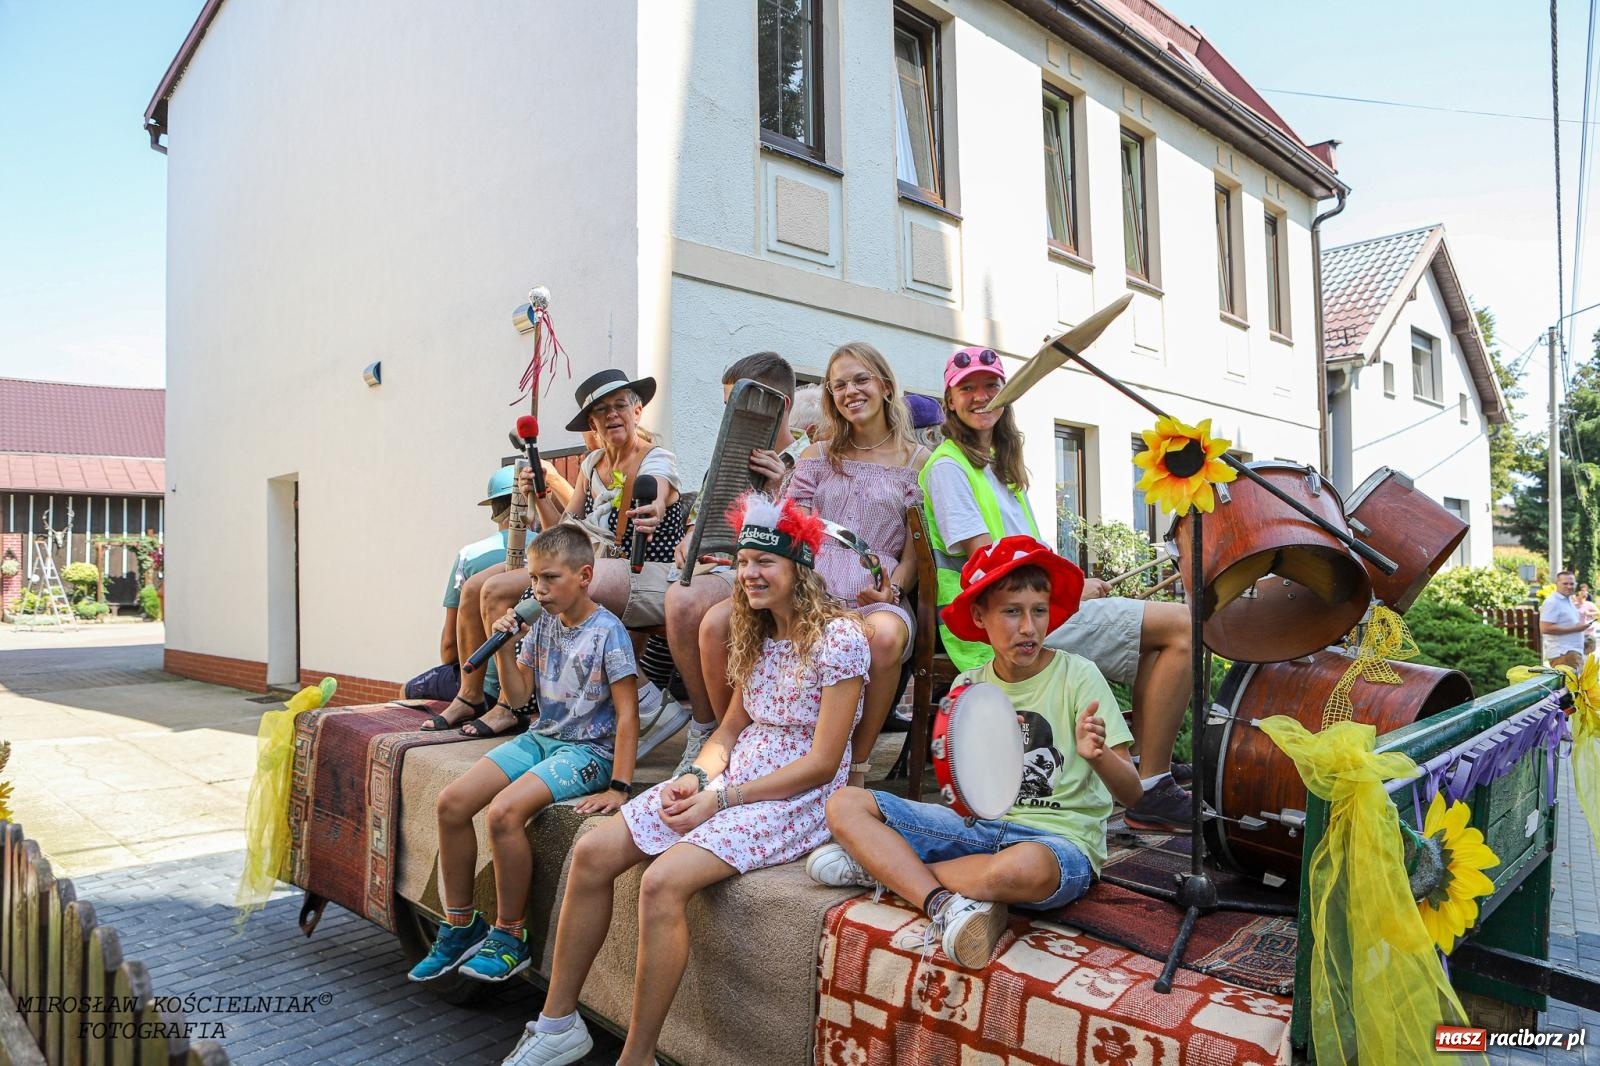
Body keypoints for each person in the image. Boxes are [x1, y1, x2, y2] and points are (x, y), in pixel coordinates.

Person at [502, 493, 869, 1066]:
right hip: (736, 774)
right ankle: (557, 1024)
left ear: (799, 569)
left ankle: (637, 1056)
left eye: (763, 562)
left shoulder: (840, 640)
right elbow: (728, 730)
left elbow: (824, 762)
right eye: (743, 561)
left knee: (661, 883)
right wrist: (695, 776)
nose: (747, 573)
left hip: (797, 793)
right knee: (594, 853)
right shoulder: (756, 633)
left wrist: (722, 797)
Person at [810, 535, 1141, 969]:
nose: (1029, 627)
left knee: (1019, 871)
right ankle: (945, 897)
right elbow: (960, 794)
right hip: (978, 833)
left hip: (1059, 844)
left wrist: (1098, 756)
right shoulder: (968, 686)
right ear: (980, 617)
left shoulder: (1079, 675)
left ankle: (885, 872)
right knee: (844, 804)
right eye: (1012, 612)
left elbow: (1133, 794)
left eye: (1039, 611)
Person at [917, 346, 1193, 830]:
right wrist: (1068, 592)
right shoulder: (948, 466)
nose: (982, 397)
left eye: (991, 386)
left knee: (1164, 639)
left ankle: (1148, 772)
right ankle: (1148, 789)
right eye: (968, 389)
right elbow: (990, 565)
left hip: (1028, 606)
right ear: (950, 401)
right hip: (999, 623)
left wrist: (1077, 583)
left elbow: (1029, 553)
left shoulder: (998, 465)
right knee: (1185, 627)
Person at [406, 525, 642, 986]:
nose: (538, 589)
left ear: (584, 576)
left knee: (504, 812)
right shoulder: (542, 627)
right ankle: (459, 926)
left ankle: (511, 936)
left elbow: (628, 716)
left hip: (587, 749)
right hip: (542, 736)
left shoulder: (608, 633)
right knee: (452, 803)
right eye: (534, 579)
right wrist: (504, 647)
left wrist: (619, 786)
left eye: (550, 578)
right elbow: (517, 698)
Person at [701, 342, 928, 787]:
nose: (850, 391)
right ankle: (734, 740)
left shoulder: (918, 462)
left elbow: (916, 552)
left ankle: (856, 768)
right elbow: (786, 529)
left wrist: (894, 589)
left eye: (860, 380)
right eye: (839, 384)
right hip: (808, 587)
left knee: (883, 638)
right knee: (714, 625)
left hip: (873, 589)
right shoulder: (817, 456)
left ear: (885, 386)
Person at [427, 372, 686, 739]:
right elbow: (563, 535)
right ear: (591, 424)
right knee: (477, 587)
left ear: (638, 410)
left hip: (641, 570)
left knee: (528, 592)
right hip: (592, 564)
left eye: (619, 406)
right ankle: (471, 694)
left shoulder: (656, 460)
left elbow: (656, 492)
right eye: (600, 411)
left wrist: (655, 505)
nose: (611, 415)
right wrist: (541, 493)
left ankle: (511, 704)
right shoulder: (591, 463)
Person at [665, 353, 808, 774]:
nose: (730, 415)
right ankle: (705, 726)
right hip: (724, 567)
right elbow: (702, 519)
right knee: (681, 598)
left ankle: (730, 732)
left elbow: (811, 536)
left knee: (687, 605)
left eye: (738, 405)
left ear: (774, 405)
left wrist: (781, 487)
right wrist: (692, 536)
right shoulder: (729, 454)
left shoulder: (806, 455)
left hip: (777, 572)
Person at [403, 465, 518, 703]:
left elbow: (449, 647)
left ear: (494, 509)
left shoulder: (470, 555)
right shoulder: (551, 553)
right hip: (536, 680)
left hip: (485, 685)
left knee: (407, 689)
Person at [1541, 570, 1586, 670]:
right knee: (1572, 685)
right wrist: (1576, 629)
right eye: (1565, 583)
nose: (1569, 586)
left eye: (1572, 583)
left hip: (1572, 652)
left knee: (1578, 685)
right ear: (1557, 584)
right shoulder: (1552, 602)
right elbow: (1545, 628)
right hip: (1563, 654)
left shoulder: (1568, 600)